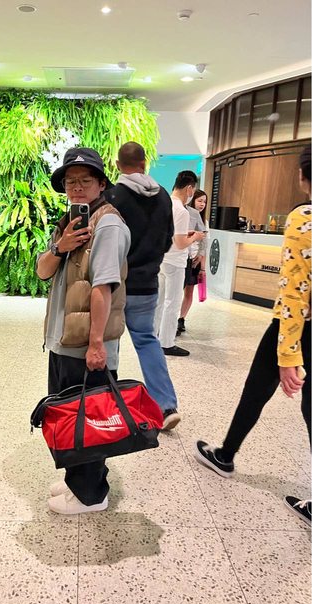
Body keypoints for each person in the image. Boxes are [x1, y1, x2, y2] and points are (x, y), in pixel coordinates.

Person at [194, 144, 311, 527]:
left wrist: (288, 354)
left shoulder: (303, 218)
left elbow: (294, 290)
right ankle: (226, 453)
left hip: (297, 325)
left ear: (302, 176)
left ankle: (226, 455)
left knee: (260, 389)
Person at [36, 147, 131, 516]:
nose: (76, 187)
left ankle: (91, 494)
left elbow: (103, 287)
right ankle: (77, 479)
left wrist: (96, 345)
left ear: (101, 184)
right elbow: (43, 271)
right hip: (63, 339)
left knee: (90, 418)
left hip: (86, 344)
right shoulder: (69, 224)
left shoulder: (108, 225)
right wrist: (61, 247)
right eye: (70, 181)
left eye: (85, 180)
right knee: (70, 413)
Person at [106, 141, 181, 431]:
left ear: (117, 165)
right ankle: (166, 405)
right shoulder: (163, 196)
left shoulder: (113, 196)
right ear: (144, 162)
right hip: (148, 283)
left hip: (116, 284)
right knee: (147, 340)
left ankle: (107, 405)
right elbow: (168, 238)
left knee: (108, 341)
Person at [154, 171, 206, 356]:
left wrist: (186, 235)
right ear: (189, 188)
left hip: (162, 258)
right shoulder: (182, 211)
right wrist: (196, 237)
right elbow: (181, 243)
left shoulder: (164, 204)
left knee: (160, 300)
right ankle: (166, 343)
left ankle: (154, 336)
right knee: (173, 302)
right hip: (175, 261)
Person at [177, 190, 208, 336]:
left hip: (195, 260)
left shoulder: (203, 221)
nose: (202, 204)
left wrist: (202, 263)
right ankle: (172, 320)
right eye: (199, 200)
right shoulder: (184, 214)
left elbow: (205, 241)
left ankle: (181, 319)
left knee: (189, 292)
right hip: (182, 257)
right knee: (176, 291)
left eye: (204, 202)